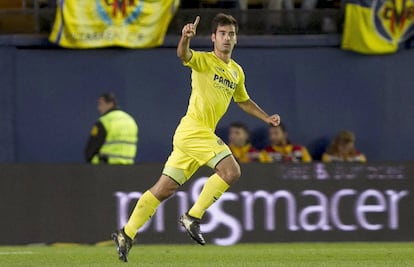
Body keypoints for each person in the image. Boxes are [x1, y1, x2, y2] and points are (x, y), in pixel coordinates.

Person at [112, 13, 280, 262]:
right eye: (222, 33)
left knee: (164, 189)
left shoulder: (236, 72)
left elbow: (243, 100)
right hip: (194, 130)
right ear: (213, 37)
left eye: (231, 34)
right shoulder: (204, 61)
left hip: (192, 136)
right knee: (231, 171)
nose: (227, 38)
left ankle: (126, 233)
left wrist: (265, 118)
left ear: (236, 39)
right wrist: (185, 39)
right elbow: (183, 55)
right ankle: (192, 216)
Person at [84, 93, 138, 165]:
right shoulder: (130, 120)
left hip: (106, 168)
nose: (99, 108)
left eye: (101, 104)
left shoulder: (104, 122)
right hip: (129, 168)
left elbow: (90, 150)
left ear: (110, 104)